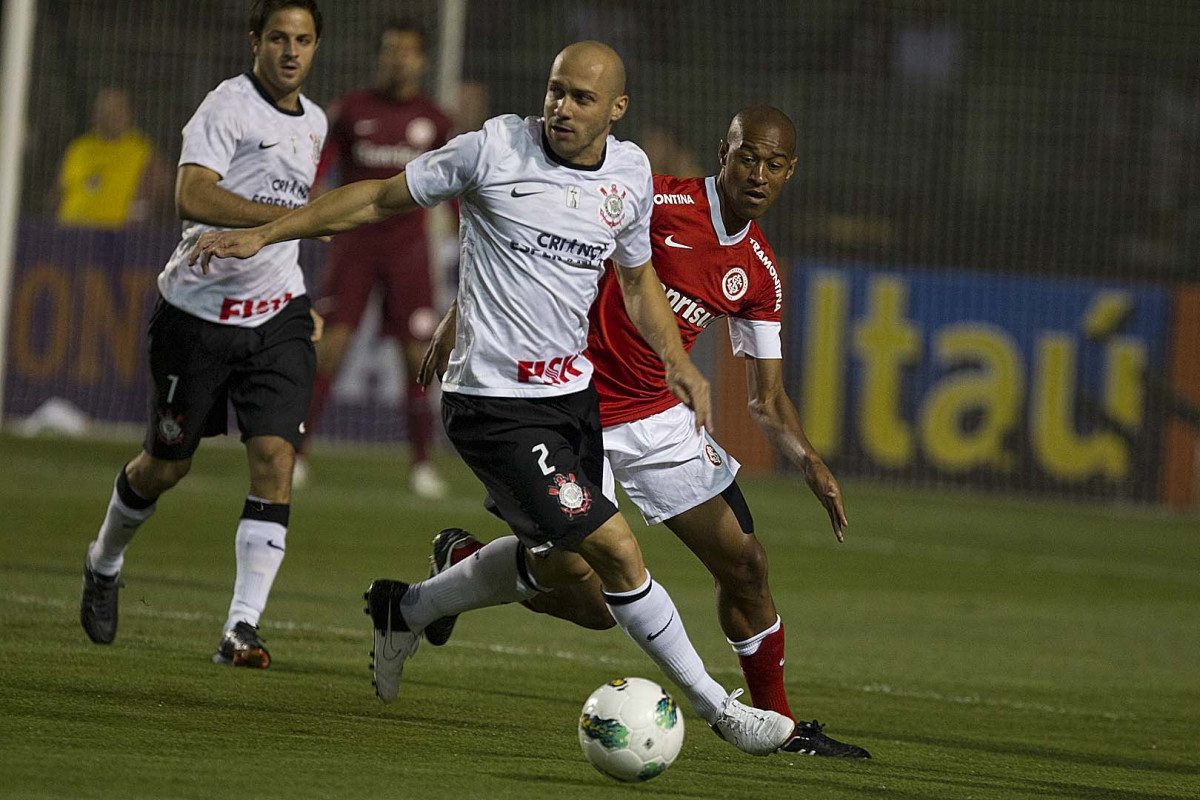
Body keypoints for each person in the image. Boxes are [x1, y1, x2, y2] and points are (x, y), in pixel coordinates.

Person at [191, 40, 796, 756]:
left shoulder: (628, 175)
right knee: (621, 553)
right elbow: (375, 199)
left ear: (616, 110)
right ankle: (723, 714)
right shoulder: (492, 149)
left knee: (589, 597)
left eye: (580, 98)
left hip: (573, 400)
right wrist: (264, 232)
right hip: (494, 406)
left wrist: (680, 365)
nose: (561, 107)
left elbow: (638, 283)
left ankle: (407, 608)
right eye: (555, 90)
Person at [419, 107, 871, 758]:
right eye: (748, 157)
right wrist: (460, 315)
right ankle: (463, 565)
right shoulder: (655, 198)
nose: (759, 174)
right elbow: (536, 241)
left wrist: (811, 464)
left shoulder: (760, 273)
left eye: (775, 165)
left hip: (659, 418)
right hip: (574, 403)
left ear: (790, 172)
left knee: (746, 564)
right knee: (586, 591)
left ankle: (780, 727)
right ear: (724, 152)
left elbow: (766, 398)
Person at [78, 0, 328, 670]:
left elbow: (291, 224)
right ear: (255, 41)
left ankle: (240, 627)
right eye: (278, 37)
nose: (290, 51)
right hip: (195, 319)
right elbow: (192, 195)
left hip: (278, 318)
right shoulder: (227, 106)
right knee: (166, 464)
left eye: (303, 40)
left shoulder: (317, 122)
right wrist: (283, 219)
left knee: (276, 459)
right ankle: (104, 560)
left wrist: (295, 271)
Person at [296, 20, 454, 497]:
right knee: (331, 351)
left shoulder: (437, 120)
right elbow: (317, 170)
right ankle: (296, 455)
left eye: (407, 52)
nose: (398, 59)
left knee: (416, 358)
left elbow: (454, 192)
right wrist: (312, 210)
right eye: (391, 51)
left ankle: (422, 464)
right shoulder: (350, 111)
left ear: (422, 60)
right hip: (354, 248)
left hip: (408, 251)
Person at [55, 87, 171, 229]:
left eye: (116, 109)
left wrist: (140, 212)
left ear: (128, 113)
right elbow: (59, 190)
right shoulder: (79, 148)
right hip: (73, 229)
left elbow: (162, 190)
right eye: (104, 109)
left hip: (115, 236)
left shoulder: (142, 150)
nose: (110, 115)